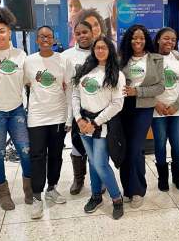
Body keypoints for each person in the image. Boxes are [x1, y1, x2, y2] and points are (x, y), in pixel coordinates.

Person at [0, 5, 32, 210]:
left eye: (2, 31)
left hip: (17, 110)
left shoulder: (21, 55)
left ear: (10, 31)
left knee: (26, 151)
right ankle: (3, 193)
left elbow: (30, 81)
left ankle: (29, 189)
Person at [73, 36, 125, 220]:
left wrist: (94, 123)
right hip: (83, 125)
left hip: (100, 125)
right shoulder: (85, 70)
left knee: (101, 164)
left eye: (104, 47)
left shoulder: (116, 74)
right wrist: (79, 119)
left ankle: (117, 199)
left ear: (110, 50)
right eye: (97, 48)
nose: (100, 50)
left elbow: (117, 104)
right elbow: (75, 95)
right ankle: (96, 196)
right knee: (92, 163)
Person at [24, 26, 70, 219]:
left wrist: (69, 117)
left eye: (48, 36)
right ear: (37, 40)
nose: (45, 39)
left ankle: (52, 189)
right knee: (37, 156)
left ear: (53, 39)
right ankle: (36, 197)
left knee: (56, 155)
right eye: (41, 36)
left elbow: (69, 88)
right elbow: (24, 84)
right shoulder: (29, 61)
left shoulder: (63, 60)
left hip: (58, 115)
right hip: (37, 116)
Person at [119, 24, 164, 208]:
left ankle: (138, 190)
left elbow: (160, 87)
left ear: (146, 40)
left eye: (141, 38)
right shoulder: (122, 59)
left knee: (136, 148)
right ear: (129, 40)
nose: (138, 41)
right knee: (124, 149)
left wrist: (137, 91)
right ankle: (127, 189)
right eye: (134, 38)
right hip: (122, 108)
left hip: (143, 107)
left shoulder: (156, 58)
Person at [152, 27, 179, 192]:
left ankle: (177, 176)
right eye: (166, 38)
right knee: (160, 144)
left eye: (173, 39)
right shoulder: (149, 59)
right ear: (158, 40)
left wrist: (177, 105)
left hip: (177, 110)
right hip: (157, 110)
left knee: (178, 145)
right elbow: (143, 84)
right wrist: (157, 103)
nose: (169, 42)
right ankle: (163, 178)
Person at [61, 21, 94, 195]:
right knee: (77, 144)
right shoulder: (66, 55)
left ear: (92, 32)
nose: (82, 36)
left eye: (85, 32)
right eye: (78, 33)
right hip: (76, 108)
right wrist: (70, 116)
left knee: (98, 146)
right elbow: (64, 84)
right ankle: (78, 179)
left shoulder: (100, 52)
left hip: (98, 107)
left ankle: (98, 177)